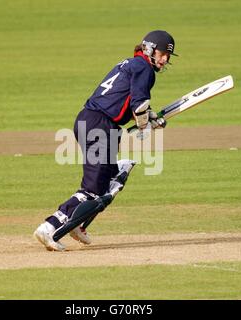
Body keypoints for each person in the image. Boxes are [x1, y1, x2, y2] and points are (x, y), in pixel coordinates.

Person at [34, 30, 177, 251]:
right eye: (162, 53)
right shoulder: (144, 69)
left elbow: (124, 101)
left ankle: (78, 224)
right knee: (92, 189)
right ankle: (49, 227)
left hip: (96, 122)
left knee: (109, 180)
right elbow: (138, 105)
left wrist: (150, 118)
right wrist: (144, 125)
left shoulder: (131, 64)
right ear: (149, 49)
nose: (165, 59)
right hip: (99, 124)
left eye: (168, 56)